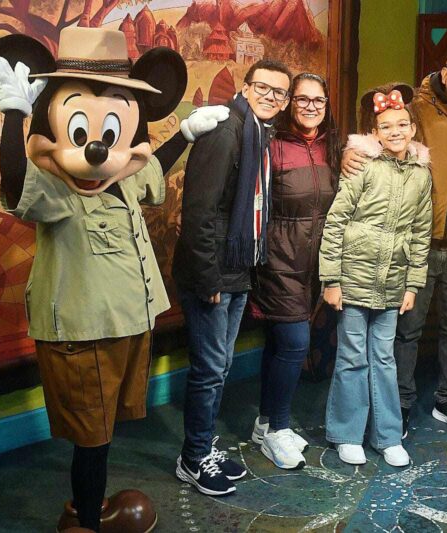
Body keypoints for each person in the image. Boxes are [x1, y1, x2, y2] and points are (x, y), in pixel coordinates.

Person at [0, 27, 226, 531]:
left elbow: (148, 174)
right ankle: (88, 521)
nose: (96, 147)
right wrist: (13, 113)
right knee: (92, 438)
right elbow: (15, 183)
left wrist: (184, 134)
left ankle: (86, 508)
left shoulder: (120, 176)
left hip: (125, 322)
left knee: (103, 432)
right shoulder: (55, 187)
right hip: (82, 331)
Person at [343, 47, 447, 438]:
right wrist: (351, 152)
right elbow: (378, 130)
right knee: (406, 329)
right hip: (416, 244)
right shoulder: (418, 109)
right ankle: (402, 402)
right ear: (444, 73)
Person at [172, 59, 292, 496]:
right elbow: (199, 213)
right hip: (213, 274)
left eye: (281, 93)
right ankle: (193, 458)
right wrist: (209, 281)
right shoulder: (226, 133)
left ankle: (204, 447)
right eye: (264, 88)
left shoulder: (257, 132)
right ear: (246, 86)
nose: (272, 98)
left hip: (237, 270)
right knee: (208, 370)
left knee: (220, 366)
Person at [319, 85, 432, 468]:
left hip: (393, 280)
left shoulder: (420, 176)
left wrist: (413, 283)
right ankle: (347, 433)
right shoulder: (364, 166)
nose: (396, 131)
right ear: (376, 132)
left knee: (384, 357)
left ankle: (386, 435)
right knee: (352, 356)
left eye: (402, 124)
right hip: (353, 277)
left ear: (413, 128)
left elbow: (420, 232)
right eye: (387, 126)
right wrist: (331, 279)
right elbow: (335, 222)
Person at [248, 73, 340, 470]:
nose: (310, 107)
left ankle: (265, 422)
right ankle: (279, 430)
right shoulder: (271, 145)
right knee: (294, 344)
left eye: (318, 100)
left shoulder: (334, 146)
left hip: (317, 263)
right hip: (279, 259)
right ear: (289, 103)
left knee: (279, 344)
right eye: (301, 99)